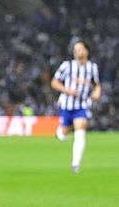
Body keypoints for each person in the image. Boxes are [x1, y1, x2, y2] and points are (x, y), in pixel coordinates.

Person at [51, 40, 100, 173]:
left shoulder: (92, 67)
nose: (77, 51)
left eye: (79, 49)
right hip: (66, 104)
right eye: (75, 49)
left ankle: (75, 164)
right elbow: (54, 82)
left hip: (82, 105)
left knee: (81, 127)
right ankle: (60, 133)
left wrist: (97, 93)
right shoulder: (67, 66)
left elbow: (96, 84)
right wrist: (67, 90)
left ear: (86, 51)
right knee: (64, 132)